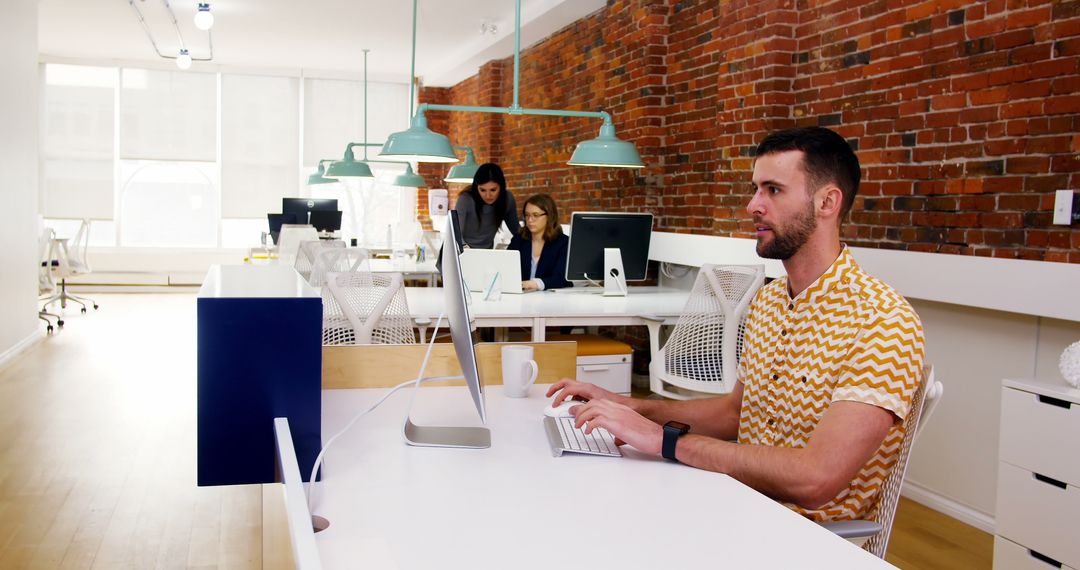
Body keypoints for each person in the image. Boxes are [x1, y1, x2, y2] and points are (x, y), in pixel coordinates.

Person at [547, 126, 925, 523]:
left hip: (801, 536)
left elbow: (815, 480)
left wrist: (664, 441)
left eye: (772, 190)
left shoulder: (883, 321)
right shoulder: (770, 299)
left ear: (827, 202)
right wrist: (629, 407)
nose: (752, 206)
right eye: (755, 188)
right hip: (734, 499)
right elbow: (735, 413)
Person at [508, 194, 570, 291]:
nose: (530, 220)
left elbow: (561, 278)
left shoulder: (563, 243)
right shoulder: (518, 240)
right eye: (527, 215)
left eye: (535, 215)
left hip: (551, 300)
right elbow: (506, 270)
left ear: (549, 216)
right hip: (520, 297)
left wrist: (536, 284)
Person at [453, 163, 519, 250]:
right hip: (459, 251)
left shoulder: (507, 199)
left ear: (501, 187)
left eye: (493, 190)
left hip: (485, 253)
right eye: (482, 190)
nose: (488, 195)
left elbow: (516, 230)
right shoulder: (466, 199)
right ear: (476, 187)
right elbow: (455, 234)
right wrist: (466, 253)